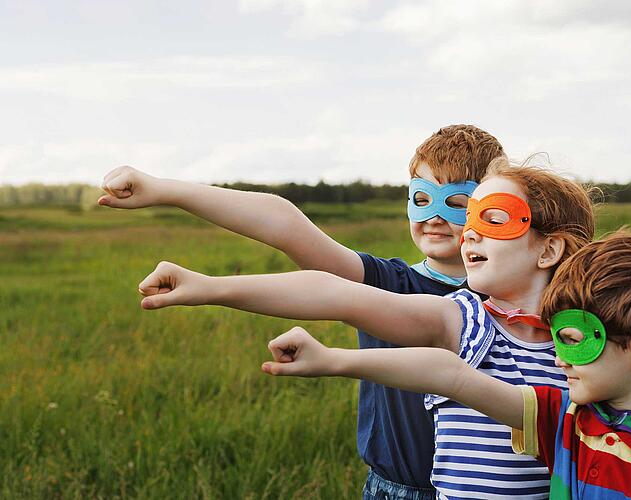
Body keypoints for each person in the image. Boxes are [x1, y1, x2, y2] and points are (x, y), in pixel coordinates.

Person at [135, 160, 597, 498]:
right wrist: (210, 285)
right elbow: (329, 287)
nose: (465, 230)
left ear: (549, 248)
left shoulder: (589, 343)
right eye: (425, 199)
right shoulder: (457, 316)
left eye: (486, 216)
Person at [100, 125, 505, 499]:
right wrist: (165, 190)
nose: (434, 216)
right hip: (392, 488)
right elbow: (286, 226)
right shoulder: (386, 283)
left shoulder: (517, 297)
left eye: (455, 202)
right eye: (421, 198)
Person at [260, 226, 631, 499]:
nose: (557, 355)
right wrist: (334, 358)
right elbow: (448, 374)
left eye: (574, 340)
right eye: (554, 338)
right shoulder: (565, 422)